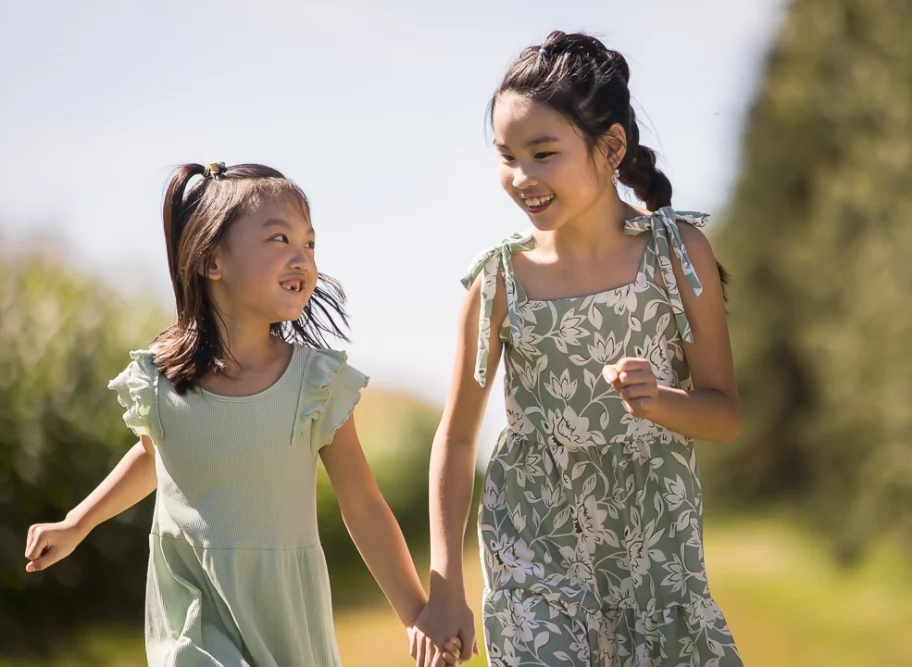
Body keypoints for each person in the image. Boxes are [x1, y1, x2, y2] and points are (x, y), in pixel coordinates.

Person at [24, 162, 460, 667]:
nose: (303, 259)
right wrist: (77, 523)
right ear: (212, 262)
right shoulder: (162, 380)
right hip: (192, 609)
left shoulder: (316, 383)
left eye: (310, 245)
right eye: (279, 239)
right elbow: (156, 458)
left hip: (283, 613)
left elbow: (362, 504)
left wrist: (415, 614)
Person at [416, 31, 744, 666]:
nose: (521, 177)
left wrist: (661, 402)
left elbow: (724, 413)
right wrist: (446, 587)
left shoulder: (679, 257)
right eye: (506, 156)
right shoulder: (499, 283)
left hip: (654, 554)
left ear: (611, 146)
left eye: (542, 153)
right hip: (534, 557)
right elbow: (456, 439)